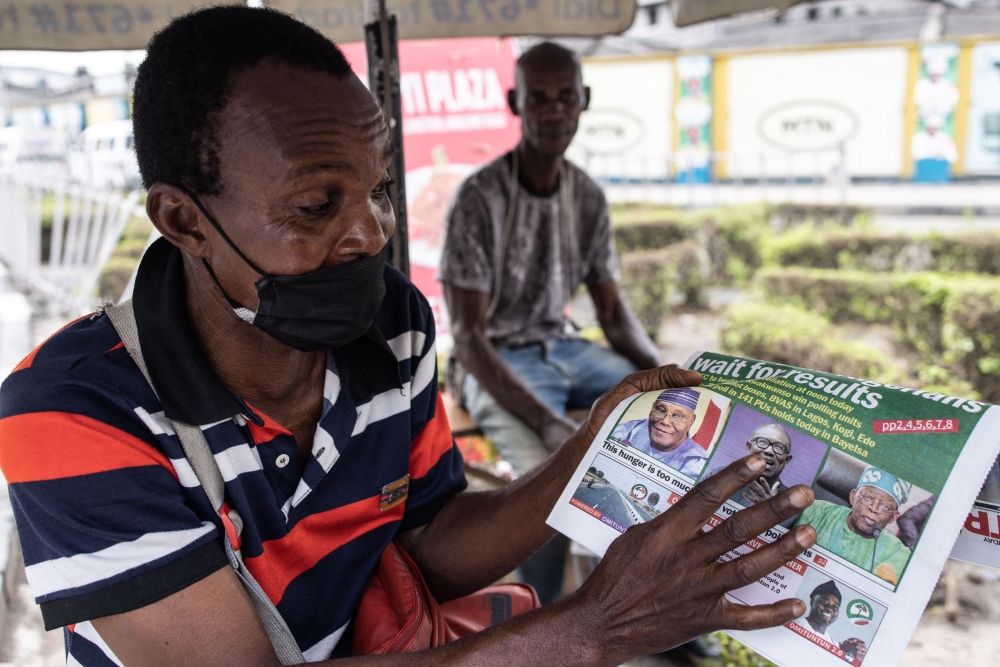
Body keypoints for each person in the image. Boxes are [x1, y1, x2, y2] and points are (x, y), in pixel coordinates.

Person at [0, 8, 819, 666]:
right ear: (184, 220)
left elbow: (428, 539)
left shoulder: (388, 321)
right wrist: (597, 624)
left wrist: (588, 453)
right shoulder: (70, 411)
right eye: (318, 207)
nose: (370, 232)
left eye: (381, 189)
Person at [439, 42, 662, 606]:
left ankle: (642, 601)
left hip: (565, 348)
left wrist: (669, 374)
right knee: (550, 483)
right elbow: (468, 336)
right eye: (538, 98)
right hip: (494, 358)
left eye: (566, 97)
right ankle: (537, 617)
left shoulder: (587, 195)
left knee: (666, 429)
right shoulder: (479, 197)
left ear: (584, 101)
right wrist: (545, 422)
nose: (553, 111)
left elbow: (611, 313)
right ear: (516, 103)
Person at [795, 466, 912, 585]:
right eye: (867, 497)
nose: (873, 508)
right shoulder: (816, 512)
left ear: (893, 517)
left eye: (885, 506)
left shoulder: (898, 553)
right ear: (853, 497)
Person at [612, 387, 707, 477]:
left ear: (691, 421)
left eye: (678, 416)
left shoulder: (695, 462)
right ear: (652, 408)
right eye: (660, 410)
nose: (665, 421)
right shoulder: (631, 430)